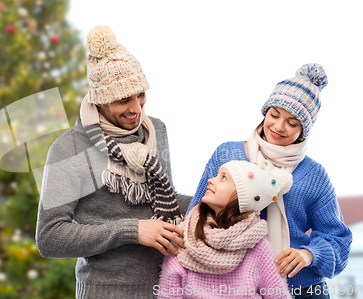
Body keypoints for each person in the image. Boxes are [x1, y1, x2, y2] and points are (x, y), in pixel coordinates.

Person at [36, 26, 192, 298]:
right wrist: (132, 231)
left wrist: (218, 197)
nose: (136, 109)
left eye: (140, 95)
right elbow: (50, 238)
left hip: (167, 286)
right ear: (100, 100)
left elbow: (162, 200)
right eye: (123, 100)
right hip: (105, 291)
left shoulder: (156, 130)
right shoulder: (69, 148)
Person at [186, 63, 352, 298]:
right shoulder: (227, 154)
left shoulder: (314, 175)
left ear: (304, 131)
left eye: (293, 123)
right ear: (265, 112)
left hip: (302, 289)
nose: (279, 126)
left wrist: (308, 254)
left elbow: (339, 240)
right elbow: (196, 214)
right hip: (234, 286)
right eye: (274, 115)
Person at [157, 160, 293, 299]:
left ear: (242, 195)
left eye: (223, 177)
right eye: (216, 175)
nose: (210, 180)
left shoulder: (258, 248)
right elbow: (168, 295)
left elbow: (279, 296)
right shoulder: (184, 237)